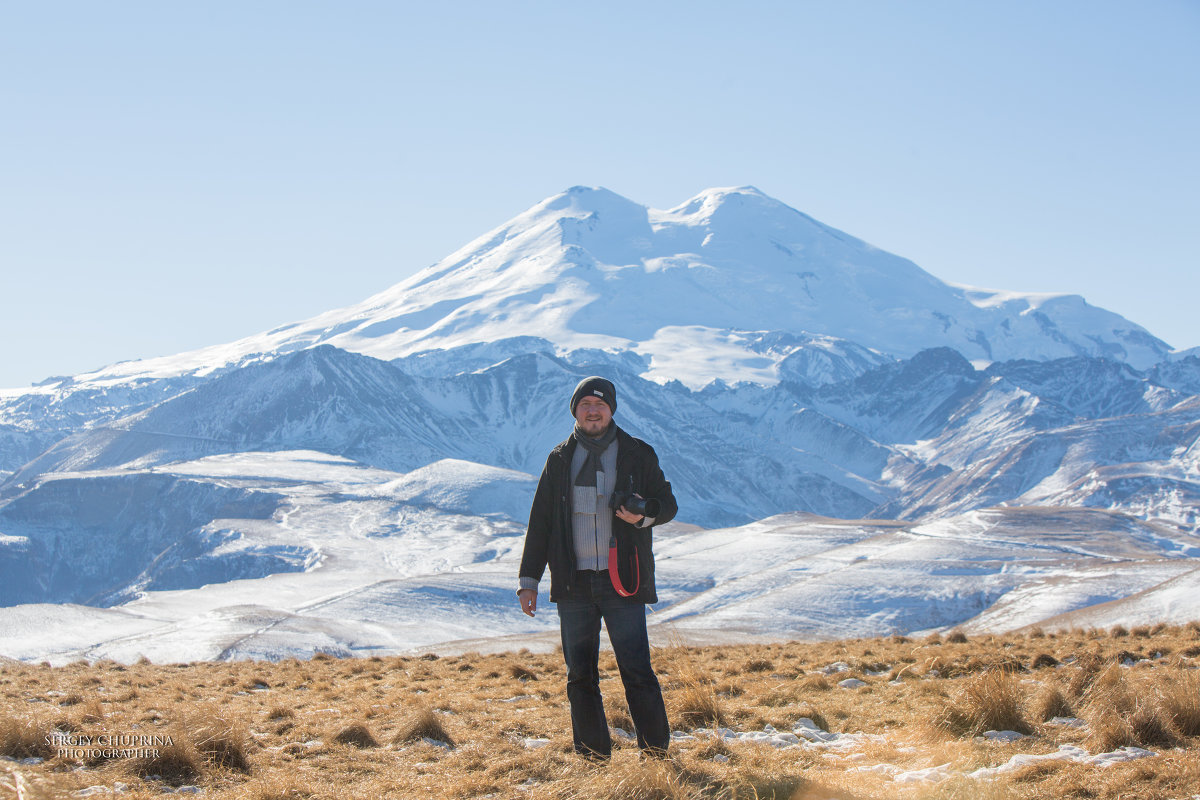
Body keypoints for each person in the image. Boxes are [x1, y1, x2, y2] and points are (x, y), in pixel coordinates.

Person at [517, 376, 678, 761]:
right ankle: (593, 757)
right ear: (575, 410)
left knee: (637, 670)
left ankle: (656, 755)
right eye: (586, 403)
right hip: (573, 585)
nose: (593, 410)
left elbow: (668, 504)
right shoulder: (559, 459)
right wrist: (529, 580)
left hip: (623, 582)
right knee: (580, 677)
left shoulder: (638, 453)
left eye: (600, 404)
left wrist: (642, 514)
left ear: (612, 410)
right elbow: (540, 522)